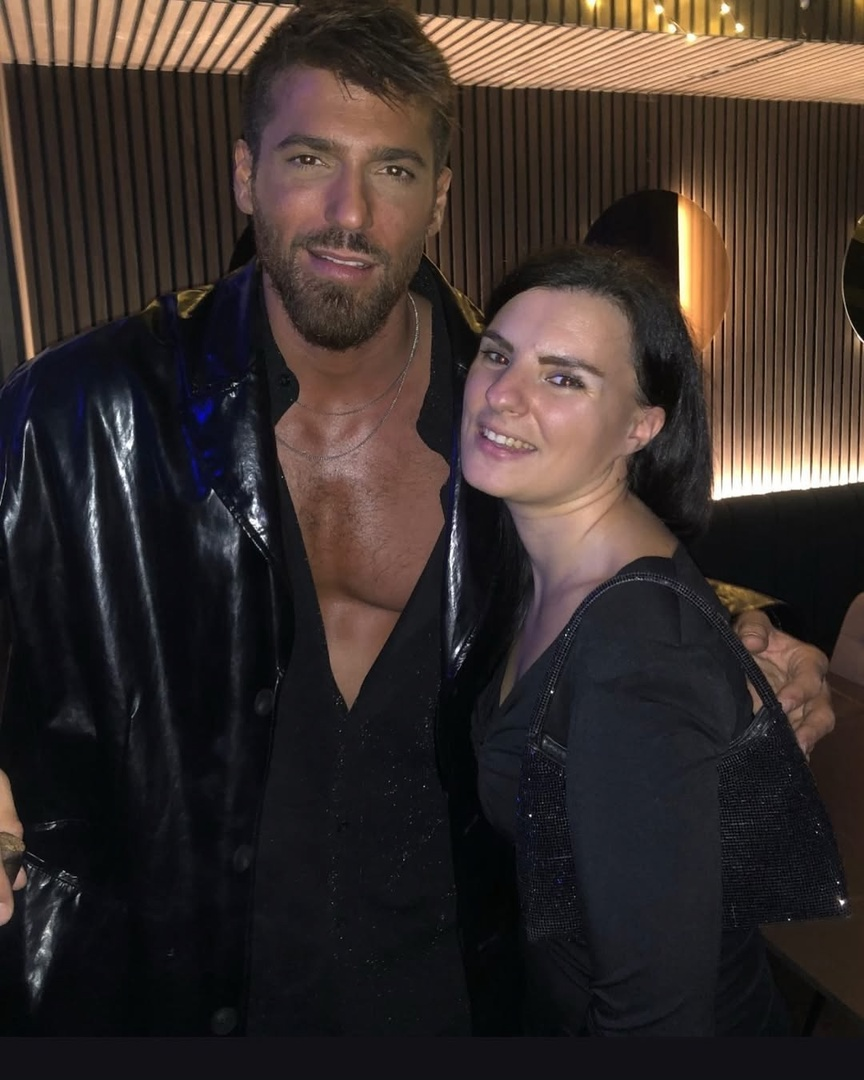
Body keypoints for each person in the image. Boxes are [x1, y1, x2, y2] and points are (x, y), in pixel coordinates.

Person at [0, 0, 833, 1036]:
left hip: (463, 999)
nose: (349, 214)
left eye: (392, 170)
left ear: (438, 199)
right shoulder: (85, 410)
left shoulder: (507, 413)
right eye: (310, 158)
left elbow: (610, 558)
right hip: (181, 994)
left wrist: (747, 630)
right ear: (246, 175)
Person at [462, 245, 801, 1035]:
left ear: (641, 426)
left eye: (564, 378)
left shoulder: (635, 658)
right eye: (497, 355)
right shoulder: (541, 564)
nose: (503, 395)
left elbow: (659, 1016)